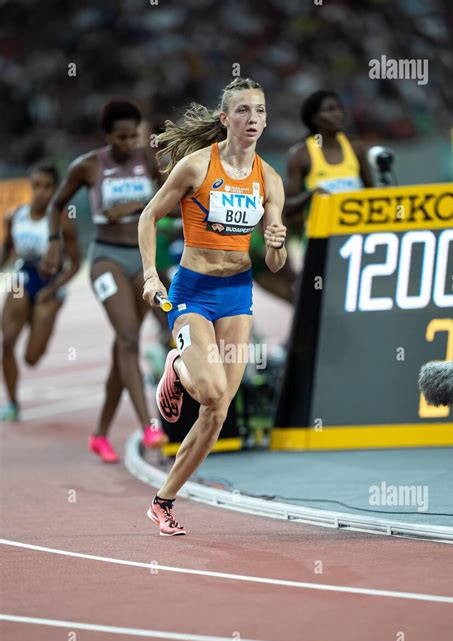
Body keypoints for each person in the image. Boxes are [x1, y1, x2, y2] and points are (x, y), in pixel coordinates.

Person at [138, 77, 287, 536]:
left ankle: (163, 501)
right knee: (206, 389)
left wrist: (276, 243)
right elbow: (149, 216)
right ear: (225, 119)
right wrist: (149, 274)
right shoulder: (196, 166)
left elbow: (276, 265)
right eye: (243, 111)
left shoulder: (269, 179)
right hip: (192, 293)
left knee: (219, 409)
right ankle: (179, 361)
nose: (253, 120)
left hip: (237, 295)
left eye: (259, 111)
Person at [40, 100, 168, 462]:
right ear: (108, 136)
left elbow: (175, 201)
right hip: (107, 259)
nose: (129, 143)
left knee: (121, 351)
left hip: (143, 262)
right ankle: (149, 427)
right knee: (129, 338)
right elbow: (56, 204)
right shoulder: (89, 166)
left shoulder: (150, 161)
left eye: (134, 135)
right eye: (121, 137)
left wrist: (131, 209)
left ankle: (99, 435)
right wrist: (53, 244)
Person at [1, 163, 80, 421]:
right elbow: (6, 253)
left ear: (55, 190)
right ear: (30, 187)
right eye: (36, 186)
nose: (41, 192)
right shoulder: (15, 216)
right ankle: (12, 404)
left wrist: (55, 288)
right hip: (24, 276)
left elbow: (75, 264)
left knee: (31, 358)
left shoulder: (62, 224)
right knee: (7, 341)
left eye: (47, 187)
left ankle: (40, 318)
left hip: (51, 285)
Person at [285, 90, 372, 224]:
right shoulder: (301, 155)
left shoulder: (356, 148)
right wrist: (311, 195)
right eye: (330, 109)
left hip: (357, 232)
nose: (338, 114)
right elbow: (288, 207)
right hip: (321, 235)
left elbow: (372, 193)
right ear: (314, 118)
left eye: (340, 108)